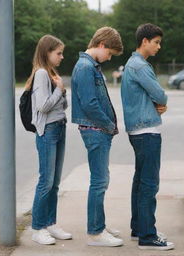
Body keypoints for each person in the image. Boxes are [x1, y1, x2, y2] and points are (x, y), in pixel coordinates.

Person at [121, 23, 174, 250]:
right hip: (147, 131)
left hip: (138, 130)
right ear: (145, 41)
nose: (159, 47)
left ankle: (139, 228)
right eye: (156, 42)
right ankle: (148, 237)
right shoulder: (140, 66)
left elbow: (146, 96)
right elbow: (160, 94)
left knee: (140, 182)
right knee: (149, 185)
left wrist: (157, 103)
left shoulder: (131, 64)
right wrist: (161, 103)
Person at [71, 27, 124, 247]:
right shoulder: (85, 67)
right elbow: (90, 104)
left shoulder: (90, 66)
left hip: (97, 130)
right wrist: (109, 125)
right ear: (101, 45)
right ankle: (95, 232)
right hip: (95, 130)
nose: (109, 58)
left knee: (101, 179)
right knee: (99, 181)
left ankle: (98, 224)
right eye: (110, 53)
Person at [26, 35, 72, 245]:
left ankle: (50, 223)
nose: (62, 57)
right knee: (46, 181)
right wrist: (61, 90)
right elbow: (43, 106)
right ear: (47, 53)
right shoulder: (42, 74)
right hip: (48, 131)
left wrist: (61, 94)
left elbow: (63, 107)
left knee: (54, 183)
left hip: (59, 127)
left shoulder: (51, 73)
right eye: (58, 53)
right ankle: (37, 227)